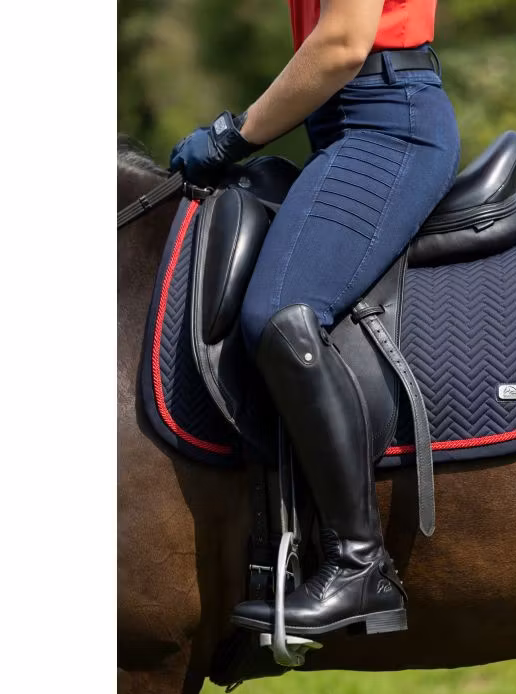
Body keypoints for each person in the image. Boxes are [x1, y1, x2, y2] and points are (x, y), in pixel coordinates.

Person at [169, 0, 460, 637]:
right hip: (340, 127)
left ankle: (360, 566)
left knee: (281, 314)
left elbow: (343, 44)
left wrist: (233, 134)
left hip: (388, 125)